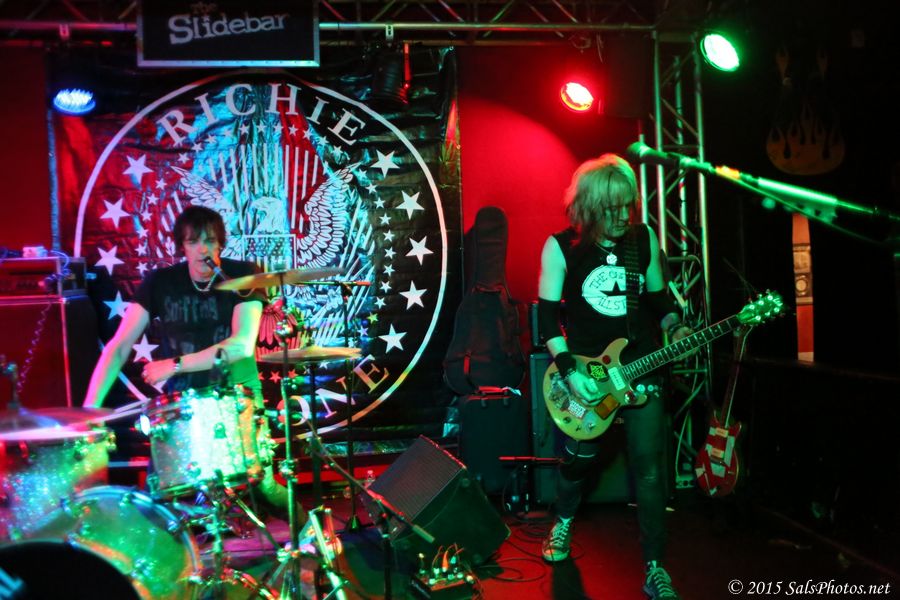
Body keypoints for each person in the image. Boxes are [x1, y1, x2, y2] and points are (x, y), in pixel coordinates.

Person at [536, 154, 690, 600]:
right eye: (612, 208)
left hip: (642, 367)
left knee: (649, 470)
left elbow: (659, 301)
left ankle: (655, 567)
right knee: (579, 462)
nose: (623, 215)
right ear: (589, 207)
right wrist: (570, 372)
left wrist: (675, 325)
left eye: (628, 205)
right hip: (588, 373)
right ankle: (564, 521)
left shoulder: (643, 239)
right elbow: (547, 320)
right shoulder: (561, 247)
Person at [83, 205, 287, 508]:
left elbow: (241, 346)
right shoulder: (160, 282)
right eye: (193, 241)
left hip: (236, 396)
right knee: (161, 495)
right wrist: (89, 409)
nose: (203, 249)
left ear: (220, 244)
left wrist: (174, 365)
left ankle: (311, 530)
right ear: (182, 246)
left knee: (264, 487)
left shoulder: (244, 275)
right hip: (181, 403)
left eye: (210, 241)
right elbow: (119, 346)